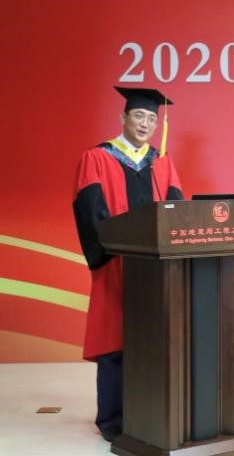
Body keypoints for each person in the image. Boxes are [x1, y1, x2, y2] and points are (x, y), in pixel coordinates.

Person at [72, 87, 183, 443]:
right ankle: (113, 419)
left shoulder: (161, 162)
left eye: (152, 118)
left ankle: (150, 411)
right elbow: (89, 210)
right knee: (114, 340)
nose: (145, 124)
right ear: (123, 118)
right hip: (116, 265)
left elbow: (176, 207)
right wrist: (107, 252)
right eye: (139, 116)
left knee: (153, 340)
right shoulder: (97, 158)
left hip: (156, 268)